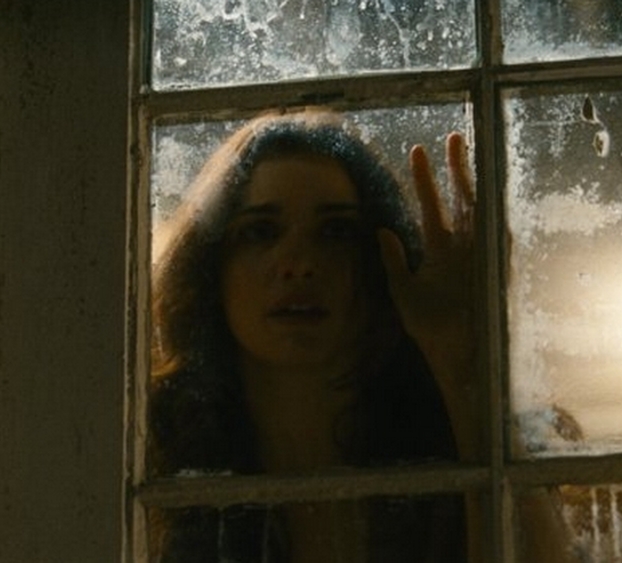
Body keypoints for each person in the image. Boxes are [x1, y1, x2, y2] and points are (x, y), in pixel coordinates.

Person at [147, 108, 482, 562]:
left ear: (380, 256)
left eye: (335, 231)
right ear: (210, 266)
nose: (300, 264)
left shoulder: (447, 433)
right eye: (261, 231)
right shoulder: (147, 447)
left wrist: (462, 364)